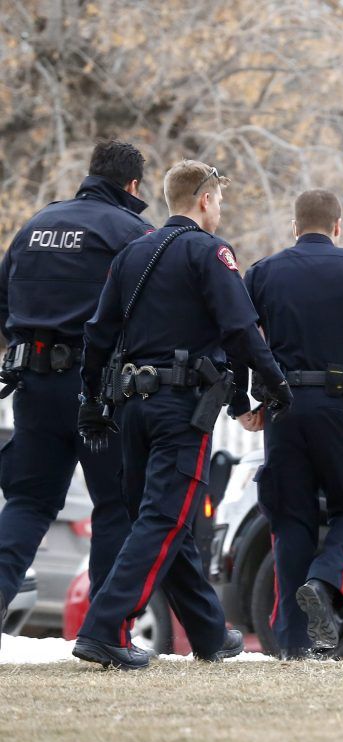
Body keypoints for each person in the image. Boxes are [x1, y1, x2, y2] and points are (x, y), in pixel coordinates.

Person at [72, 160, 292, 670]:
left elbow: (98, 333)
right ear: (203, 200)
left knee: (162, 521)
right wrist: (275, 385)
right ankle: (104, 628)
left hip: (132, 411)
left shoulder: (132, 253)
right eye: (219, 199)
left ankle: (210, 634)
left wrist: (90, 398)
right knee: (165, 519)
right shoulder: (209, 252)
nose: (221, 208)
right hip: (180, 410)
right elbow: (240, 329)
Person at [240, 189, 343, 659]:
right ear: (338, 227)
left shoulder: (261, 273)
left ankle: (294, 644)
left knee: (289, 519)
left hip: (281, 411)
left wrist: (244, 401)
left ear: (294, 227)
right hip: (340, 408)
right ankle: (326, 579)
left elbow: (234, 336)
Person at [0, 140, 153, 647]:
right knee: (114, 507)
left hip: (34, 384)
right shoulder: (131, 232)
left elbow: (4, 301)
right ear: (132, 185)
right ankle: (103, 635)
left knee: (27, 501)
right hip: (97, 394)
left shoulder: (34, 226)